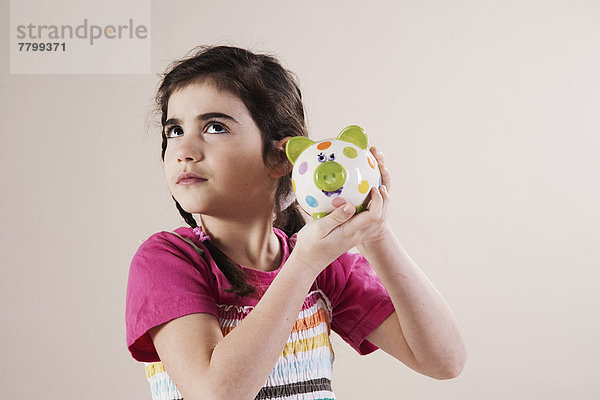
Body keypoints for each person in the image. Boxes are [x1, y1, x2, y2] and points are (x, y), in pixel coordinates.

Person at [125, 44, 467, 400]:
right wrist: (304, 262)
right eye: (174, 131)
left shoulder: (324, 266)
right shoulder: (166, 261)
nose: (184, 150)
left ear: (280, 158)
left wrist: (376, 233)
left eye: (214, 127)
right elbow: (215, 392)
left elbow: (445, 360)